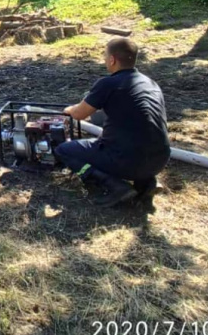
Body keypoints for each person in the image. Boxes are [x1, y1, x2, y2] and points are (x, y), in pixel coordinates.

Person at [56, 37, 170, 207]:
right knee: (134, 139)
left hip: (127, 160)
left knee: (64, 150)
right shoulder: (150, 83)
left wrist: (69, 110)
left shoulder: (108, 83)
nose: (104, 60)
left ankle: (115, 186)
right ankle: (147, 183)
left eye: (104, 56)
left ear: (112, 59)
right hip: (160, 160)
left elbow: (79, 114)